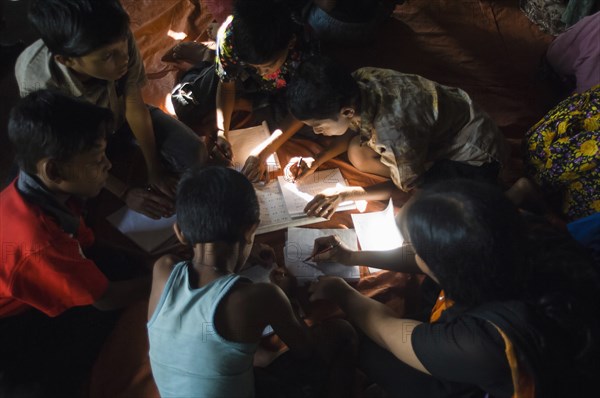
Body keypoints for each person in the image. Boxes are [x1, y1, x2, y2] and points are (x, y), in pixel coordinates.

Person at [308, 179, 600, 397]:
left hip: (507, 372)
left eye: (414, 246)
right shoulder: (517, 230)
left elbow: (386, 328)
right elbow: (439, 254)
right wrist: (352, 256)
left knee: (367, 344)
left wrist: (339, 291)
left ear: (446, 266)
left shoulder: (486, 339)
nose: (410, 251)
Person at [147, 166, 356, 398]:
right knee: (341, 332)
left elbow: (204, 269)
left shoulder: (163, 269)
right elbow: (305, 349)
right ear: (251, 230)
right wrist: (286, 297)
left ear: (179, 233)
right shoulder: (262, 297)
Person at [0, 90, 151, 397]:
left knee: (132, 268)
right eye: (97, 160)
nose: (108, 167)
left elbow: (87, 241)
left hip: (38, 275)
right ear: (54, 170)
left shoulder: (39, 190)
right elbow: (105, 298)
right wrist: (163, 278)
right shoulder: (39, 243)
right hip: (11, 326)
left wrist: (146, 262)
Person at [15, 0, 208, 220]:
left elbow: (134, 105)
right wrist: (125, 192)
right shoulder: (39, 83)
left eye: (123, 44)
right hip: (77, 138)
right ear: (67, 60)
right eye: (107, 56)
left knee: (195, 153)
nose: (124, 58)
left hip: (120, 115)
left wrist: (154, 169)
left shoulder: (115, 38)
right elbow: (67, 151)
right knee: (69, 203)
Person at [286, 56, 508, 219]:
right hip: (446, 125)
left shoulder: (392, 136)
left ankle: (514, 194)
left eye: (319, 126)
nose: (316, 133)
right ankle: (417, 165)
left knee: (406, 221)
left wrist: (343, 194)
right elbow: (356, 127)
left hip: (475, 156)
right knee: (357, 152)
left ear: (346, 112)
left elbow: (407, 187)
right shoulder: (360, 79)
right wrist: (318, 160)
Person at [214, 0, 318, 180]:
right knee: (193, 102)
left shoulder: (305, 43)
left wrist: (265, 151)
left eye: (268, 66)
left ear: (290, 44)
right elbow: (225, 86)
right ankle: (204, 56)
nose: (262, 72)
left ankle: (252, 103)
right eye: (254, 67)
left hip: (290, 88)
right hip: (248, 82)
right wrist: (221, 131)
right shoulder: (229, 38)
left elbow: (306, 104)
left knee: (317, 122)